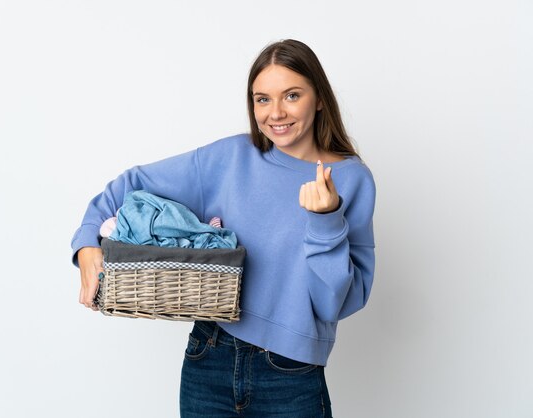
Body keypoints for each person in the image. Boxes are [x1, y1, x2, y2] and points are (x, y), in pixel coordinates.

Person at [71, 39, 376, 417]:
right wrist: (87, 244)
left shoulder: (351, 180)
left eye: (291, 95)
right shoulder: (230, 158)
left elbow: (333, 304)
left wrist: (326, 220)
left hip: (291, 374)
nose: (275, 112)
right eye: (262, 99)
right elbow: (129, 185)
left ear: (319, 98)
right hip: (209, 356)